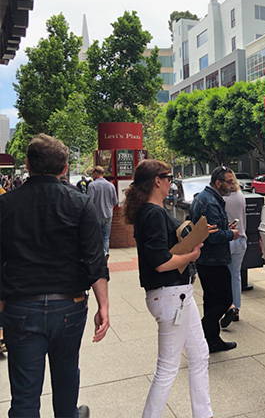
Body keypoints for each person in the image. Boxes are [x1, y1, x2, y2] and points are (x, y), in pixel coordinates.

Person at [0, 134, 109, 418]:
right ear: (64, 168)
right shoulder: (81, 203)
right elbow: (94, 259)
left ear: (28, 164)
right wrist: (104, 306)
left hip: (20, 305)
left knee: (24, 393)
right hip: (69, 305)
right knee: (66, 372)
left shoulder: (6, 205)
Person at [124, 159, 215, 418]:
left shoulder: (149, 211)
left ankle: (204, 413)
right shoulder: (152, 213)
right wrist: (191, 255)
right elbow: (161, 263)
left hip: (175, 295)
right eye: (168, 177)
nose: (170, 182)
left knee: (199, 355)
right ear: (157, 181)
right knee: (167, 367)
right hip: (171, 295)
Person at [190, 165, 240, 353]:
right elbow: (211, 236)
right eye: (228, 182)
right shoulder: (210, 202)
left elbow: (210, 228)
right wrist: (231, 234)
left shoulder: (206, 198)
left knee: (212, 300)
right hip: (213, 260)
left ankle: (211, 339)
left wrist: (225, 227)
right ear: (218, 183)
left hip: (207, 259)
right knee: (225, 298)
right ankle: (201, 334)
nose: (232, 185)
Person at [220, 171, 247, 328]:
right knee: (235, 275)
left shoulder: (222, 198)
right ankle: (236, 308)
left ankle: (227, 307)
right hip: (241, 239)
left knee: (223, 276)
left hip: (227, 239)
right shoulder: (240, 195)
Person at [88, 166, 119, 260]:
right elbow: (115, 202)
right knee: (106, 237)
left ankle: (100, 255)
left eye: (93, 173)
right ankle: (105, 252)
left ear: (96, 173)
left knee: (97, 237)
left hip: (96, 215)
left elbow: (89, 202)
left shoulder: (92, 185)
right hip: (108, 214)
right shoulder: (110, 185)